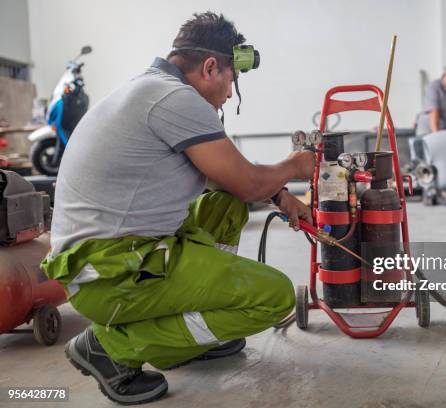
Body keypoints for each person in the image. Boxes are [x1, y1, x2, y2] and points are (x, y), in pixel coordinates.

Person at [41, 12, 315, 405]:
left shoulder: (151, 88)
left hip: (106, 257)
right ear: (210, 67)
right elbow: (248, 181)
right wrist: (296, 165)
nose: (229, 92)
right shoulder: (176, 100)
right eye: (231, 81)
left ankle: (192, 328)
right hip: (112, 274)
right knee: (274, 296)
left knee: (225, 207)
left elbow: (228, 181)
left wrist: (280, 195)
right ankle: (111, 347)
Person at [416, 62, 446, 135]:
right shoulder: (433, 87)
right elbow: (434, 113)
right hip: (428, 131)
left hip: (445, 130)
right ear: (445, 75)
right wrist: (437, 136)